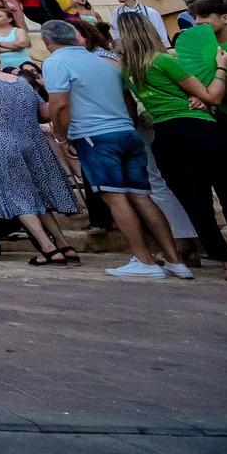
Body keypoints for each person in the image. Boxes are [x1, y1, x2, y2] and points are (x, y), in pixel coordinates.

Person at [37, 19, 191, 280]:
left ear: (46, 41)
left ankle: (143, 260)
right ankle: (175, 259)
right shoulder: (104, 60)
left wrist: (62, 138)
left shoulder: (55, 62)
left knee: (115, 197)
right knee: (142, 195)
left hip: (94, 135)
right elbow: (128, 99)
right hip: (125, 132)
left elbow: (60, 105)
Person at [114, 8, 227, 272]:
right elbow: (212, 96)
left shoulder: (127, 70)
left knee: (196, 205)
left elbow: (133, 108)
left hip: (165, 137)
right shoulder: (163, 60)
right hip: (199, 128)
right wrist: (221, 68)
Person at [0, 46, 80, 265]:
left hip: (3, 143)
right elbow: (45, 113)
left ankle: (48, 249)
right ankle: (63, 245)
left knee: (17, 196)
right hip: (33, 141)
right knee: (39, 196)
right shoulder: (20, 81)